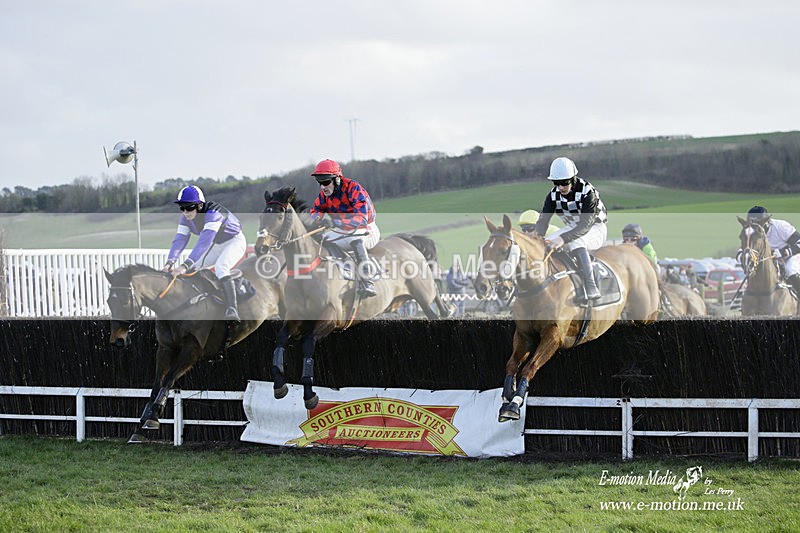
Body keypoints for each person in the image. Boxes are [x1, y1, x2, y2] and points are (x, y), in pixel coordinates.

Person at [163, 185, 246, 322]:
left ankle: (233, 309)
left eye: (189, 207)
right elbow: (180, 240)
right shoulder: (185, 218)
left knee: (221, 267)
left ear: (200, 205)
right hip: (216, 244)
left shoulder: (213, 214)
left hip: (234, 241)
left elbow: (204, 242)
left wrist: (183, 265)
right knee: (193, 268)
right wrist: (169, 263)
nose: (185, 212)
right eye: (182, 208)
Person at [533, 156, 608, 301]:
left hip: (595, 228)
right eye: (556, 183)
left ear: (573, 179)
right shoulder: (553, 195)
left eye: (564, 183)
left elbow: (585, 225)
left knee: (574, 241)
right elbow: (543, 220)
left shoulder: (588, 192)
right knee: (547, 243)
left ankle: (591, 286)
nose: (560, 187)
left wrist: (562, 239)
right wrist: (537, 238)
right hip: (573, 228)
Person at [309, 159, 381, 297]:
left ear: (337, 179)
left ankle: (367, 281)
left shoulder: (353, 188)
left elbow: (361, 218)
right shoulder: (323, 196)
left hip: (366, 228)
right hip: (342, 231)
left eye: (326, 182)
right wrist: (316, 220)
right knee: (321, 241)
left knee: (355, 239)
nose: (323, 187)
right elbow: (315, 211)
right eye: (319, 183)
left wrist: (336, 223)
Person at [741, 205, 800, 295]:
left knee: (790, 269)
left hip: (790, 257)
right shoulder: (751, 232)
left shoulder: (781, 226)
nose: (755, 229)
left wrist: (782, 252)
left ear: (766, 222)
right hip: (770, 261)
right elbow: (744, 249)